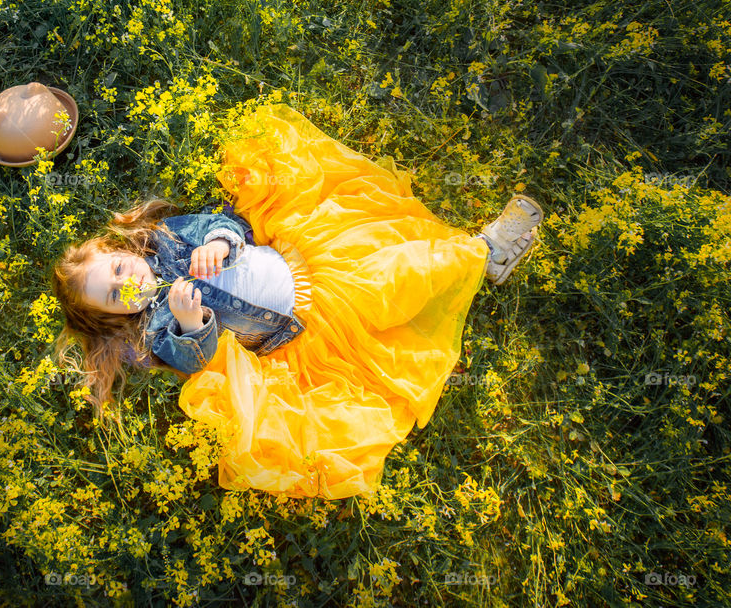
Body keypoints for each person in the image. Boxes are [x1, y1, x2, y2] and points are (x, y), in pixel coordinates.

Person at [50, 103, 543, 499]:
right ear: (115, 318)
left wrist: (219, 244)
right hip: (306, 331)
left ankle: (478, 251)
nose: (127, 283)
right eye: (116, 297)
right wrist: (191, 321)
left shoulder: (168, 239)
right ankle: (486, 252)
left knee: (395, 264)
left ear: (120, 251)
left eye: (117, 271)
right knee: (388, 289)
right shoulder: (158, 326)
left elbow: (226, 225)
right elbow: (195, 360)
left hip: (312, 261)